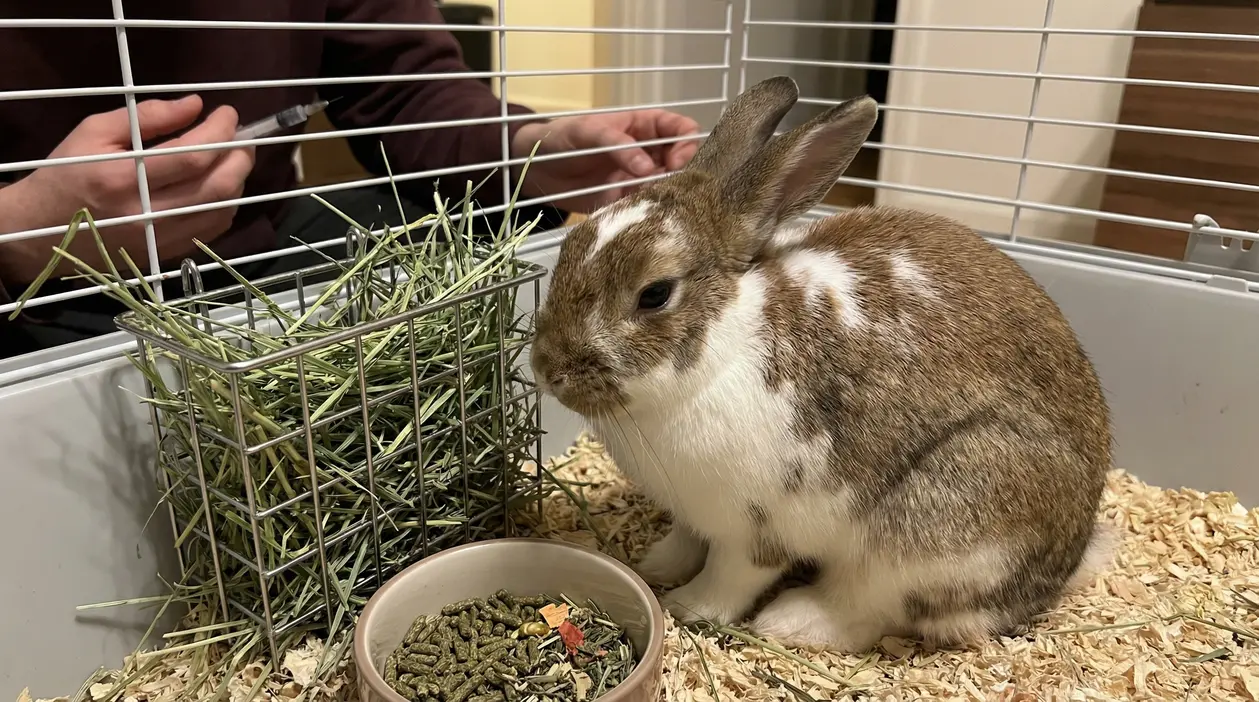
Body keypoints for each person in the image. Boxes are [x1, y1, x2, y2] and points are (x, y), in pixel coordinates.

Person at [0, 0, 701, 357]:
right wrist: (24, 231)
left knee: (503, 225)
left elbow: (401, 84)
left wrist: (525, 150)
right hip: (34, 290)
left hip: (253, 241)